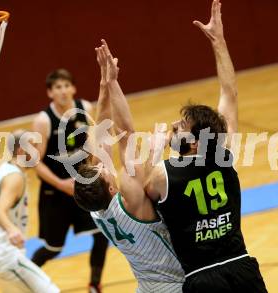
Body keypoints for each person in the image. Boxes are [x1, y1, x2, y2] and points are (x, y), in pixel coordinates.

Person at [145, 1, 268, 292]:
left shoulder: (164, 175)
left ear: (195, 141)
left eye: (180, 126)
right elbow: (230, 93)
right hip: (242, 268)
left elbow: (140, 191)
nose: (174, 126)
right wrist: (219, 41)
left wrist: (154, 149)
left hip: (202, 279)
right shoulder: (224, 157)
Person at [74, 40, 185, 293]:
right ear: (112, 188)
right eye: (104, 172)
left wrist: (103, 84)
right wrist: (114, 82)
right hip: (175, 285)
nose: (104, 166)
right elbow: (125, 135)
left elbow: (101, 132)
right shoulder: (130, 199)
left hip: (145, 286)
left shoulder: (97, 211)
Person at [31, 68, 108, 292]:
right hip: (55, 192)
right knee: (53, 248)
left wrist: (94, 171)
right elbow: (35, 163)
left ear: (73, 88)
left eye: (66, 86)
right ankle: (23, 278)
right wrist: (60, 183)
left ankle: (95, 284)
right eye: (58, 87)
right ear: (50, 93)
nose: (63, 91)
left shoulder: (85, 108)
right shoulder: (43, 121)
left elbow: (92, 144)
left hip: (82, 188)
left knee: (101, 235)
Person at [0, 130, 60, 293]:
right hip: (3, 255)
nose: (39, 153)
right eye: (34, 148)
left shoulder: (6, 167)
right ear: (22, 152)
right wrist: (11, 229)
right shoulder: (15, 178)